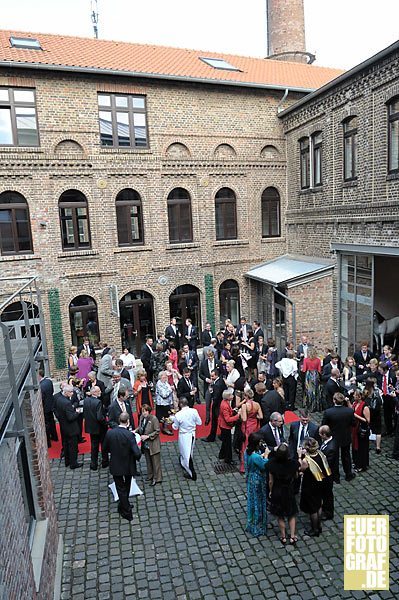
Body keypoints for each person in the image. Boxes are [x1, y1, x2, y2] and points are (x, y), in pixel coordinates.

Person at [102, 411, 141, 521]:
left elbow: (105, 448)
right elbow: (136, 452)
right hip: (128, 464)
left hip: (116, 464)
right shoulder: (129, 435)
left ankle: (125, 504)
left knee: (120, 487)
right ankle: (126, 510)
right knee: (126, 486)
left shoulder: (110, 433)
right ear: (128, 422)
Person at [299, 437, 332, 537]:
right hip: (321, 483)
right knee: (319, 504)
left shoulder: (306, 460)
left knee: (312, 509)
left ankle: (315, 529)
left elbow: (301, 469)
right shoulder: (320, 454)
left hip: (310, 485)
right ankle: (319, 525)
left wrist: (299, 456)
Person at [268, 442, 299, 544]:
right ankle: (293, 536)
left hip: (277, 490)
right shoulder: (293, 464)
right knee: (291, 514)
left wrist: (271, 491)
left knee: (280, 515)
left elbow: (271, 481)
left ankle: (283, 536)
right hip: (288, 490)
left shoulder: (272, 464)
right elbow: (296, 476)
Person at [322, 392, 356, 482]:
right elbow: (354, 423)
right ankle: (348, 474)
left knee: (334, 458)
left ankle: (335, 477)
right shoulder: (349, 411)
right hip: (345, 436)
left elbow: (324, 425)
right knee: (346, 456)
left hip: (334, 438)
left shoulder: (328, 412)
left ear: (334, 400)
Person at [244, 432, 270, 537]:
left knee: (252, 500)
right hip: (257, 480)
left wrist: (261, 456)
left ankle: (252, 522)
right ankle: (257, 525)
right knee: (258, 501)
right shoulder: (255, 456)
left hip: (251, 478)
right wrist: (266, 455)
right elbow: (264, 465)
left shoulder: (247, 451)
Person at [171, 397, 202, 480]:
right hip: (192, 434)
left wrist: (173, 421)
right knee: (188, 451)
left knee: (186, 454)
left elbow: (175, 427)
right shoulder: (194, 411)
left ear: (180, 404)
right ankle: (184, 463)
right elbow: (199, 422)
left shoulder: (178, 415)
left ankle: (192, 473)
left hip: (184, 435)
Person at [53, 383, 82, 469]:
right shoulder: (67, 403)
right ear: (66, 393)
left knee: (66, 445)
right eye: (71, 392)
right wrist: (77, 412)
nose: (72, 394)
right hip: (71, 428)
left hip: (64, 427)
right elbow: (70, 417)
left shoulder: (59, 399)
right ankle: (73, 463)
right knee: (73, 446)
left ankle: (67, 461)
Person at [135, 404, 162, 486]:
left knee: (155, 462)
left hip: (153, 444)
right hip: (145, 444)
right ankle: (150, 475)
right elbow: (140, 427)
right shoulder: (141, 418)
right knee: (148, 460)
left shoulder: (154, 419)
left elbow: (157, 431)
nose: (144, 413)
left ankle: (157, 478)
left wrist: (148, 436)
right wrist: (134, 431)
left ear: (149, 411)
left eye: (146, 411)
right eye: (143, 411)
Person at [83, 385, 107, 470]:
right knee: (104, 445)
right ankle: (105, 462)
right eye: (99, 391)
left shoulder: (86, 400)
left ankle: (93, 464)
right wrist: (105, 423)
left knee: (94, 446)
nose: (100, 392)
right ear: (94, 392)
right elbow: (99, 417)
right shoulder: (98, 402)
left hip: (91, 427)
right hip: (99, 428)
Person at [238, 389, 263, 473]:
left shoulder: (245, 406)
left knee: (245, 445)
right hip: (255, 426)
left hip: (247, 426)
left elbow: (244, 418)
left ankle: (244, 466)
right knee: (255, 443)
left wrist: (240, 414)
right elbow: (261, 416)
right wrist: (254, 417)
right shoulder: (257, 404)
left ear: (246, 396)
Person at [218, 389, 244, 465]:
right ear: (228, 396)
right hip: (225, 426)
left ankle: (222, 454)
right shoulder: (225, 405)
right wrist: (237, 416)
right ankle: (228, 459)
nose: (233, 396)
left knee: (225, 442)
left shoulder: (225, 402)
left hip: (223, 425)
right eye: (231, 395)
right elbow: (228, 419)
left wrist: (233, 410)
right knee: (228, 443)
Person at [319, 425, 339, 518]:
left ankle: (328, 513)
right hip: (326, 474)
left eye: (320, 434)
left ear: (324, 435)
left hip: (328, 475)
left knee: (327, 494)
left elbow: (327, 464)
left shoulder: (330, 448)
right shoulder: (329, 441)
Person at [349, 389, 370, 472]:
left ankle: (362, 465)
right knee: (355, 447)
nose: (353, 396)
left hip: (361, 430)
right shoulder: (354, 403)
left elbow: (367, 420)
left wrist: (355, 416)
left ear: (359, 397)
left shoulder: (365, 407)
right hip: (354, 429)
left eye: (355, 395)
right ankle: (356, 462)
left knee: (362, 448)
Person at [202, 369, 226, 442]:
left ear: (216, 375)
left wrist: (211, 392)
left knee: (215, 421)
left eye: (212, 376)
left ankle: (212, 437)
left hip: (217, 405)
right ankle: (221, 435)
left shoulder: (217, 385)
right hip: (220, 404)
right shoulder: (220, 381)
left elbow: (216, 397)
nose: (211, 377)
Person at [38, 369, 57, 447]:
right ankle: (55, 436)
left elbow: (42, 398)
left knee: (47, 424)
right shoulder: (49, 382)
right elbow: (52, 392)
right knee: (52, 422)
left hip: (45, 407)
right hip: (51, 405)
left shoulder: (41, 386)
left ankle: (48, 442)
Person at [363, 378, 383, 454]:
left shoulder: (365, 391)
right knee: (378, 430)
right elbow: (381, 402)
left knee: (368, 428)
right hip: (377, 413)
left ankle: (367, 446)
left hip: (369, 412)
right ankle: (378, 447)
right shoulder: (378, 391)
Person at [302, 347, 322, 411]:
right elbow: (319, 370)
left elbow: (304, 369)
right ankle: (316, 406)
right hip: (315, 375)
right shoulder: (318, 360)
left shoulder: (305, 360)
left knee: (309, 391)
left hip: (309, 375)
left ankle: (309, 405)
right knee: (316, 391)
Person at [155, 371, 174, 435]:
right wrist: (171, 389)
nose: (166, 378)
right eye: (164, 376)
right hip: (162, 404)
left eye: (166, 376)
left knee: (167, 416)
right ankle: (163, 429)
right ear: (160, 377)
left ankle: (165, 427)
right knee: (163, 417)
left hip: (167, 403)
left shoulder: (165, 382)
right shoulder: (159, 384)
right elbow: (164, 395)